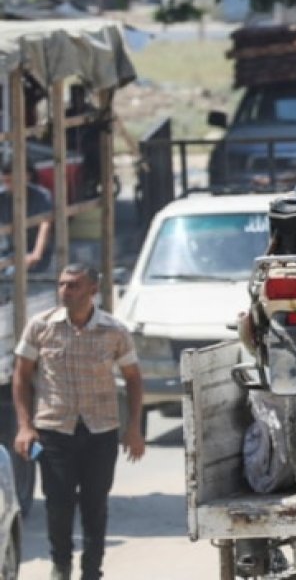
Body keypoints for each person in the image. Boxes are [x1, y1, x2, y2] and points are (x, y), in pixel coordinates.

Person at [12, 263, 145, 580]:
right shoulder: (41, 326)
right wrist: (25, 425)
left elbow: (134, 378)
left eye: (73, 285)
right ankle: (61, 566)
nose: (65, 291)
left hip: (101, 431)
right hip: (55, 429)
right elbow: (21, 376)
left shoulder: (114, 331)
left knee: (94, 505)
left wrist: (134, 428)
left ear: (93, 290)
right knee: (58, 505)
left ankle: (91, 570)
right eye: (61, 285)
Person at [0, 159, 53, 273]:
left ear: (26, 177)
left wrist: (36, 254)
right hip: (7, 252)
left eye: (11, 181)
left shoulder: (41, 196)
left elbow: (44, 226)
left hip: (32, 252)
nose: (8, 185)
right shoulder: (2, 196)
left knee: (13, 274)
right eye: (5, 181)